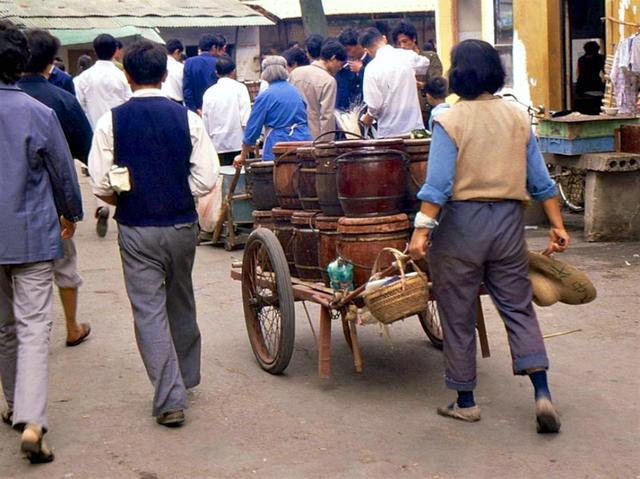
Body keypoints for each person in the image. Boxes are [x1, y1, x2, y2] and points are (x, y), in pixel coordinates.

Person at [408, 40, 569, 434]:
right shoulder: (518, 117)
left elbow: (439, 185)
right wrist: (558, 225)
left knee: (458, 311)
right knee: (517, 305)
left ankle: (465, 401)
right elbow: (541, 181)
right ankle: (542, 392)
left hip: (462, 225)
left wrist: (420, 232)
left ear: (457, 73)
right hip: (509, 224)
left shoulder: (448, 119)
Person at [89, 39, 219, 427]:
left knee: (149, 310)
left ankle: (169, 398)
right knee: (180, 298)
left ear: (126, 76)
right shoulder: (188, 119)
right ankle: (186, 377)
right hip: (181, 224)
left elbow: (99, 182)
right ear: (165, 75)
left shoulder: (110, 121)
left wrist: (123, 194)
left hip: (136, 226)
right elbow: (207, 176)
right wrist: (181, 192)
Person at [0, 20, 83, 463]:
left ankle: (14, 403)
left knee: (6, 328)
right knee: (33, 327)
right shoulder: (38, 112)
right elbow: (63, 175)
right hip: (30, 235)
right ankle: (32, 420)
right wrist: (70, 213)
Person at [18, 29, 93, 347]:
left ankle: (16, 333)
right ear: (52, 64)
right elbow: (84, 150)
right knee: (63, 262)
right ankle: (72, 326)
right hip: (51, 200)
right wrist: (72, 211)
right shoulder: (62, 101)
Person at [75, 33, 131, 237]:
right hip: (120, 128)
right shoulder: (123, 76)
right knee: (121, 168)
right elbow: (129, 101)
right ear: (115, 49)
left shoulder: (83, 78)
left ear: (94, 50)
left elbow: (78, 107)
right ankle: (122, 205)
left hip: (93, 129)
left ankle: (101, 204)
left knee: (97, 169)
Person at [235, 56, 312, 165]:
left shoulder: (265, 96)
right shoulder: (296, 92)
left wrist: (243, 155)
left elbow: (253, 128)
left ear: (264, 72)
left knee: (278, 178)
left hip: (278, 143)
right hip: (304, 140)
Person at [359, 28, 429, 137]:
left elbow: (374, 104)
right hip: (414, 130)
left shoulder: (371, 68)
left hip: (389, 133)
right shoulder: (406, 56)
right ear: (384, 39)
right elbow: (425, 63)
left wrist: (369, 116)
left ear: (366, 50)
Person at [289, 39, 346, 140]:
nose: (340, 68)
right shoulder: (328, 80)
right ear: (333, 58)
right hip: (315, 136)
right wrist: (326, 144)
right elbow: (327, 116)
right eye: (340, 64)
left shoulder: (296, 73)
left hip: (293, 133)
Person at [202, 56, 251, 166]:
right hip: (238, 143)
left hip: (216, 144)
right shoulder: (240, 88)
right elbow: (246, 119)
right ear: (233, 72)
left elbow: (205, 122)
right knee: (240, 178)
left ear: (216, 73)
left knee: (222, 178)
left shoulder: (209, 93)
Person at [183, 33, 226, 114]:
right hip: (216, 109)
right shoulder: (219, 62)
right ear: (213, 47)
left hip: (197, 110)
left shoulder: (189, 62)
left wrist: (194, 109)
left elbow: (187, 90)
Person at [161, 38, 185, 103]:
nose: (180, 57)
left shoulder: (159, 65)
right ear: (176, 51)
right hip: (176, 102)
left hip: (160, 100)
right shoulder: (181, 67)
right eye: (180, 54)